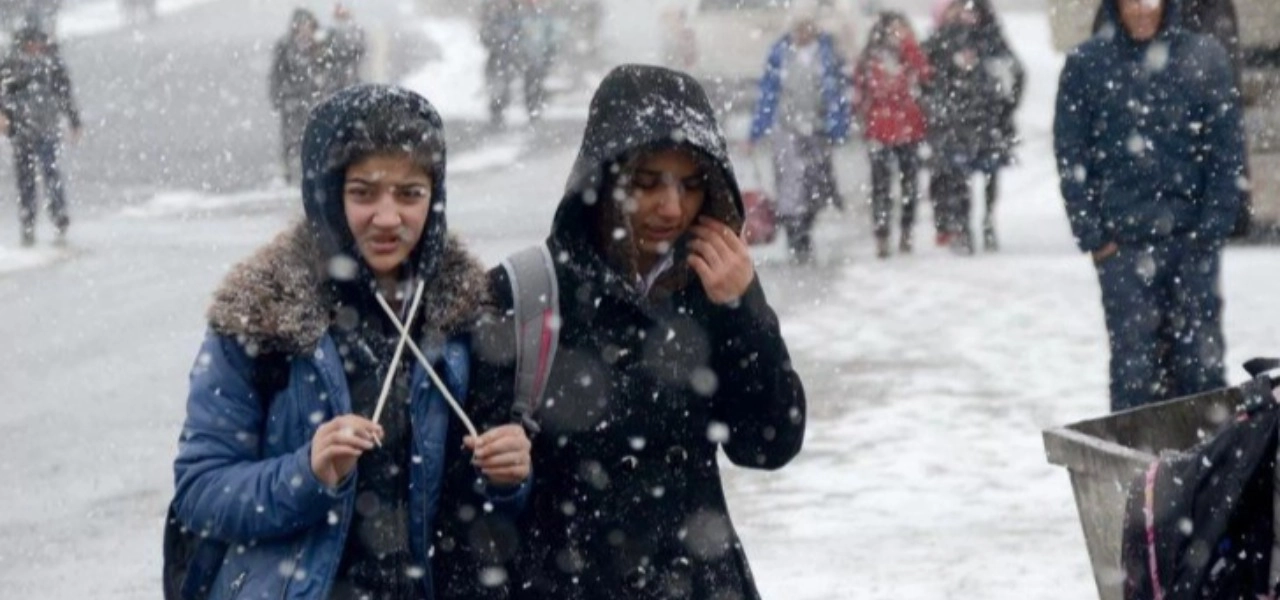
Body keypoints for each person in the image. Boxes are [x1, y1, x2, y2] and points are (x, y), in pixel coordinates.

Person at [169, 85, 532, 599]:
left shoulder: (469, 315)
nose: (388, 218)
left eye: (410, 193)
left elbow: (482, 520)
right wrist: (307, 472)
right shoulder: (261, 315)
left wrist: (509, 478)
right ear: (328, 195)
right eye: (363, 193)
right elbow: (201, 493)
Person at [460, 63, 807, 600]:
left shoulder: (711, 288)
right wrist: (505, 474)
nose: (672, 208)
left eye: (692, 185)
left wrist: (745, 309)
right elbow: (465, 494)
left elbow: (769, 444)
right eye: (647, 184)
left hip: (699, 580)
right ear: (601, 180)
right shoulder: (525, 293)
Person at [1054, 0, 1246, 411]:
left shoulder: (1203, 58)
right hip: (1123, 249)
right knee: (1135, 375)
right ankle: (1138, 469)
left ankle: (1208, 466)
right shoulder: (1088, 65)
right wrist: (1096, 238)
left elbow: (1227, 152)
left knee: (1201, 374)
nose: (1142, 10)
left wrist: (1210, 230)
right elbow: (1072, 157)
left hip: (1191, 245)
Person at [747, 0, 851, 264]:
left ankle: (805, 226)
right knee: (791, 185)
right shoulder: (780, 53)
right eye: (798, 27)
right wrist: (757, 130)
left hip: (817, 129)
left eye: (807, 26)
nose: (803, 32)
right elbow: (768, 94)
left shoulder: (827, 54)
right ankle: (795, 235)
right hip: (787, 128)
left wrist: (838, 127)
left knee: (816, 183)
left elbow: (837, 94)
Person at [921, 0, 1024, 253]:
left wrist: (1005, 106)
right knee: (958, 178)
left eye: (971, 10)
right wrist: (938, 106)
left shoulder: (991, 38)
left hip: (987, 120)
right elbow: (926, 78)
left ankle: (986, 221)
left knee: (989, 174)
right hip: (956, 122)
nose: (966, 15)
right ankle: (963, 227)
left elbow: (1016, 72)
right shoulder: (941, 40)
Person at [854, 11, 931, 258]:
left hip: (908, 128)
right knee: (881, 186)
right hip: (881, 128)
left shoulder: (912, 53)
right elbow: (867, 87)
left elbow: (926, 76)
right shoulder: (871, 57)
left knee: (910, 185)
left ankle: (906, 231)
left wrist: (909, 50)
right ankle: (882, 233)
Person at [0, 25, 81, 247]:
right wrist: (4, 115)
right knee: (26, 177)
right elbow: (3, 93)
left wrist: (74, 121)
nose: (36, 47)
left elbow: (65, 94)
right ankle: (28, 220)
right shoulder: (12, 65)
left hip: (46, 127)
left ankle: (58, 215)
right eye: (31, 42)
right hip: (21, 129)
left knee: (49, 170)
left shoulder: (53, 65)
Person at [479, 0, 558, 129]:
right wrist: (497, 44)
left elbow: (547, 39)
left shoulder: (529, 18)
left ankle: (532, 111)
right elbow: (486, 36)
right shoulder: (500, 17)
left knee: (531, 85)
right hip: (500, 58)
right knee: (499, 87)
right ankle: (498, 113)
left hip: (525, 58)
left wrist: (547, 55)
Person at [270, 9, 327, 184]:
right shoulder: (285, 46)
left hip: (313, 99)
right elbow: (276, 74)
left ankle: (312, 170)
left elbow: (327, 70)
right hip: (292, 100)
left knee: (314, 137)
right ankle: (287, 171)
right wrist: (277, 97)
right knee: (290, 139)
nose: (305, 30)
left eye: (308, 26)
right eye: (301, 26)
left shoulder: (320, 46)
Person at [322, 3, 365, 93]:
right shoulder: (329, 33)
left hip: (349, 79)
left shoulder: (355, 32)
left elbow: (359, 53)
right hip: (334, 81)